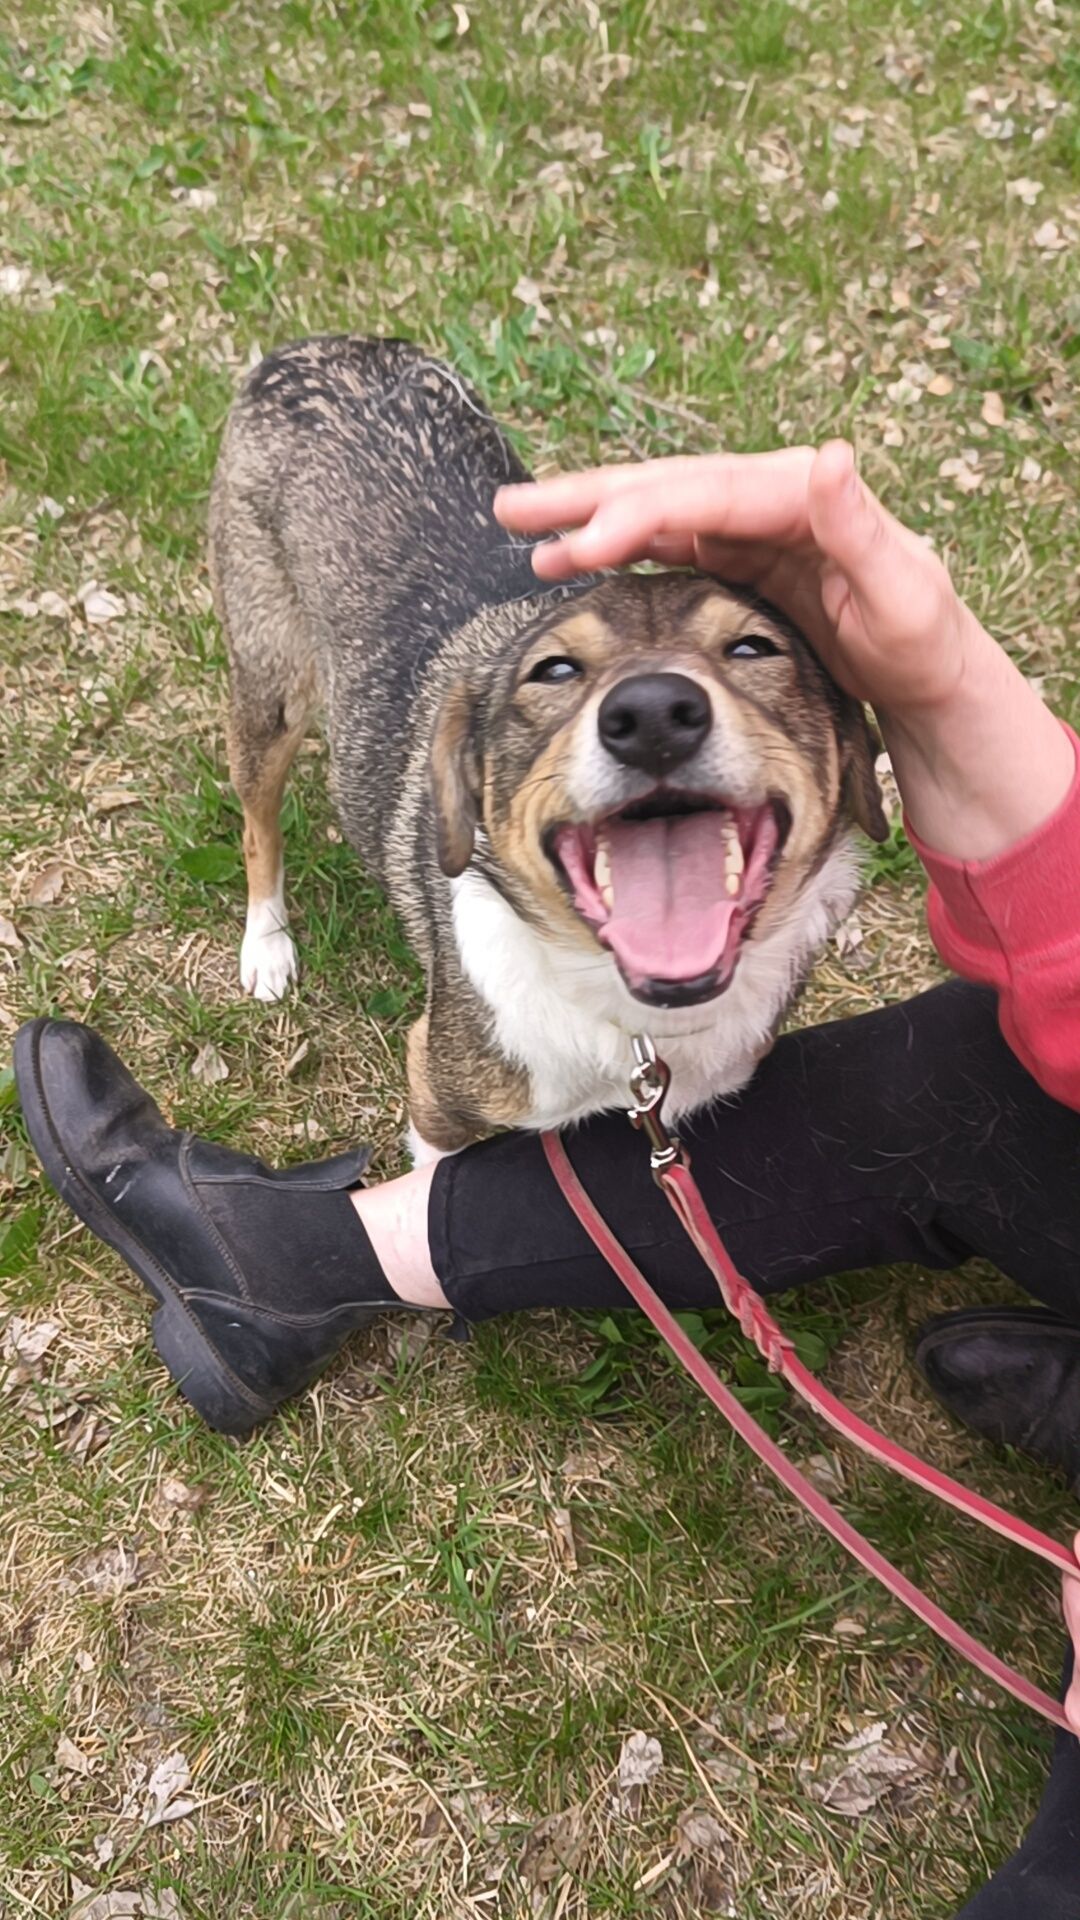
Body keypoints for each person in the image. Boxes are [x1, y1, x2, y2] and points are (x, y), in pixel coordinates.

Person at [13, 441, 1080, 1917]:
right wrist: (951, 669)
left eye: (748, 653)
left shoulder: (788, 833)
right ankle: (291, 994)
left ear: (852, 768)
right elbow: (443, 1085)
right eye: (567, 679)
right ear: (469, 792)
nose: (651, 704)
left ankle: (281, 1266)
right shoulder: (487, 983)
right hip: (322, 517)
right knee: (269, 725)